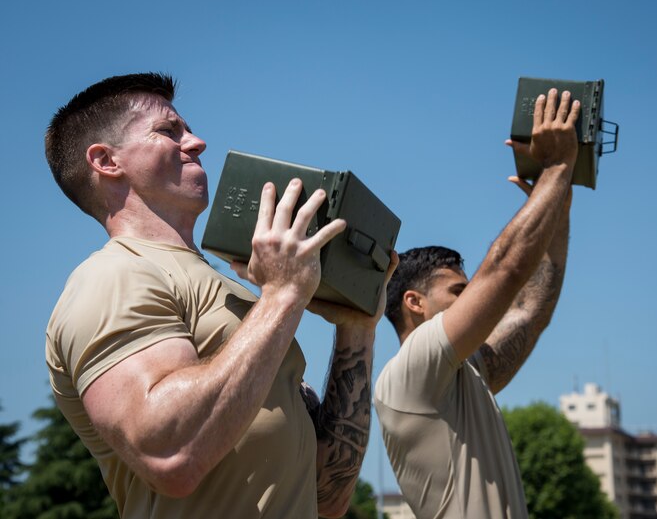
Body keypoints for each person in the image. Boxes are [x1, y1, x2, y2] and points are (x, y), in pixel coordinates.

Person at [44, 72, 396, 518]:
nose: (197, 142)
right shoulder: (111, 276)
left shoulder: (241, 296)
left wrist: (357, 329)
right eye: (169, 131)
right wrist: (284, 295)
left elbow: (329, 494)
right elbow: (170, 457)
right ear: (106, 161)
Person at [374, 88, 579, 518]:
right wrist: (558, 168)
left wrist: (558, 209)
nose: (475, 300)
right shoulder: (412, 369)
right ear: (414, 302)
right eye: (458, 292)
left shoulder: (465, 372)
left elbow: (530, 312)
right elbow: (504, 272)